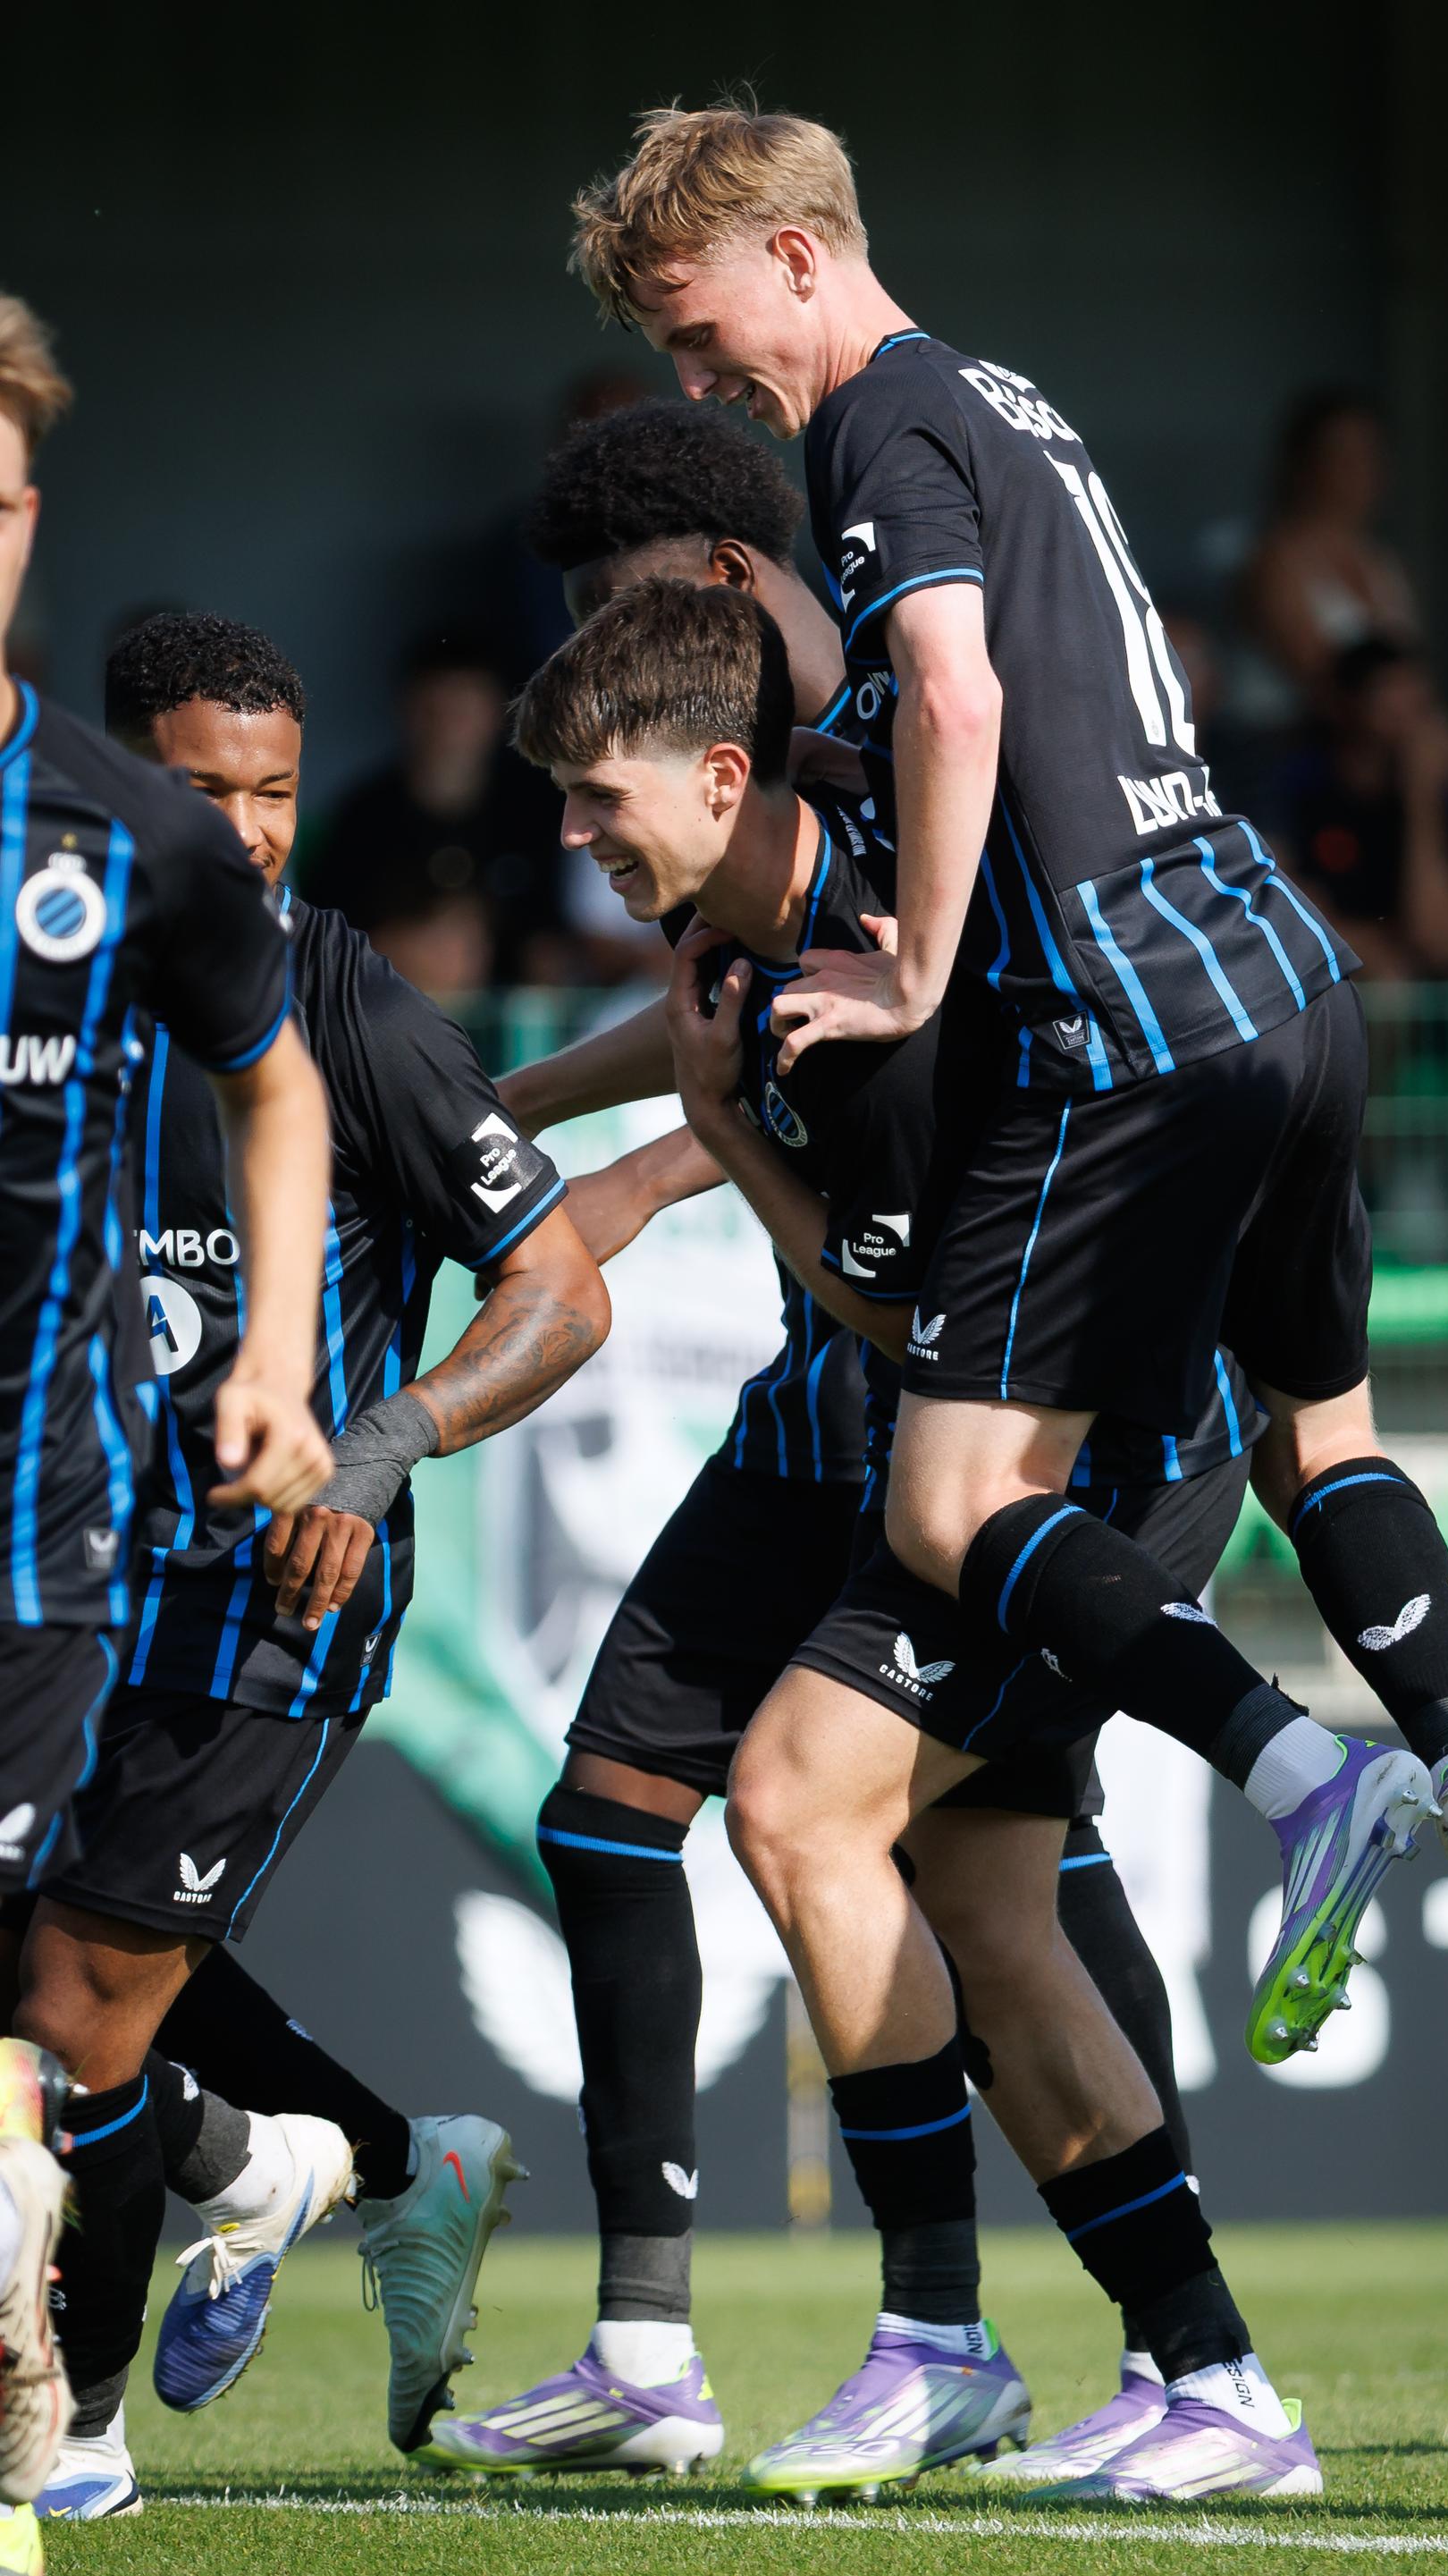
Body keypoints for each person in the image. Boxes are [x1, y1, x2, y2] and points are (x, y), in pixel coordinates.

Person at [570, 103, 1448, 2139]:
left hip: (1128, 1016)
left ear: (795, 254)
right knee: (1331, 1436)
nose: (706, 381)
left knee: (948, 1510)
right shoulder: (1005, 398)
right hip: (1281, 971)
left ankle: (1310, 1786)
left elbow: (956, 704)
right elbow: (957, 717)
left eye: (700, 331)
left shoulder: (868, 420)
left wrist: (916, 967)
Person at [440, 579, 1344, 2507]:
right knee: (997, 1922)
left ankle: (941, 2336)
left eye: (604, 805)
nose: (584, 847)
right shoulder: (790, 876)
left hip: (1076, 1450)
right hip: (1031, 1427)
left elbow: (903, 1325)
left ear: (714, 772)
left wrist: (733, 1144)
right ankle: (1212, 2377)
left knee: (789, 1800)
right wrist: (562, 1107)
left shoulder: (875, 1028)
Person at [9, 610, 614, 2519]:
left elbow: (560, 1289)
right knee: (66, 1990)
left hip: (276, 1598)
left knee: (72, 2012)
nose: (252, 833)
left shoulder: (342, 1008)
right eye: (207, 793)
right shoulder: (53, 988)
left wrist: (375, 1445)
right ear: (119, 789)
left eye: (274, 792)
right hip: (75, 1568)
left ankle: (77, 2437)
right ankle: (316, 2160)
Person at [0, 297, 333, 2531]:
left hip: (26, 1540)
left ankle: (29, 2414)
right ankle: (233, 2154)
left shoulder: (121, 834)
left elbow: (279, 1079)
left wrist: (292, 1362)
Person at [1264, 638, 1448, 980]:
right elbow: (1278, 918)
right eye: (1390, 706)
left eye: (1420, 708)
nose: (1409, 726)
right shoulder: (1299, 781)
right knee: (1389, 979)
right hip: (1343, 971)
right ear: (1343, 705)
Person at [301, 630, 569, 987]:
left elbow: (565, 941)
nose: (447, 729)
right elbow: (322, 941)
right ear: (406, 711)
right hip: (391, 1009)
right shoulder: (363, 819)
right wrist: (391, 950)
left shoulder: (540, 810)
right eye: (433, 711)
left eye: (461, 711)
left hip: (516, 1022)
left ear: (497, 713)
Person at [1237, 391, 1419, 718]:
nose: (1362, 470)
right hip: (1288, 745)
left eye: (1371, 454)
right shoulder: (1275, 562)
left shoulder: (1383, 562)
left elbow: (1412, 673)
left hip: (1382, 739)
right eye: (1343, 455)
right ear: (1305, 466)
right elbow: (1326, 684)